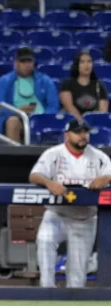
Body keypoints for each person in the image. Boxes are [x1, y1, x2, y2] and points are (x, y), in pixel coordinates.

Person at [29, 119, 111, 288]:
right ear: (67, 135)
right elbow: (35, 175)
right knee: (44, 240)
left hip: (85, 219)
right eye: (78, 132)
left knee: (77, 279)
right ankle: (47, 294)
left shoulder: (99, 157)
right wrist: (49, 183)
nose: (83, 136)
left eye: (85, 132)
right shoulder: (54, 154)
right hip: (57, 215)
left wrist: (106, 178)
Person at [0, 47, 58, 143]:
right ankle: (16, 157)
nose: (27, 65)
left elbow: (53, 105)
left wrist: (42, 118)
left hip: (40, 118)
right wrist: (18, 111)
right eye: (23, 62)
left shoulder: (45, 80)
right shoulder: (4, 81)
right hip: (15, 117)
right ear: (16, 64)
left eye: (29, 61)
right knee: (13, 122)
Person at [60, 51, 109, 120]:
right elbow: (68, 106)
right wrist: (82, 124)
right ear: (77, 65)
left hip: (93, 124)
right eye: (82, 62)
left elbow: (102, 112)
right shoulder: (67, 84)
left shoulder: (99, 85)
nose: (87, 65)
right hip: (73, 123)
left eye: (89, 61)